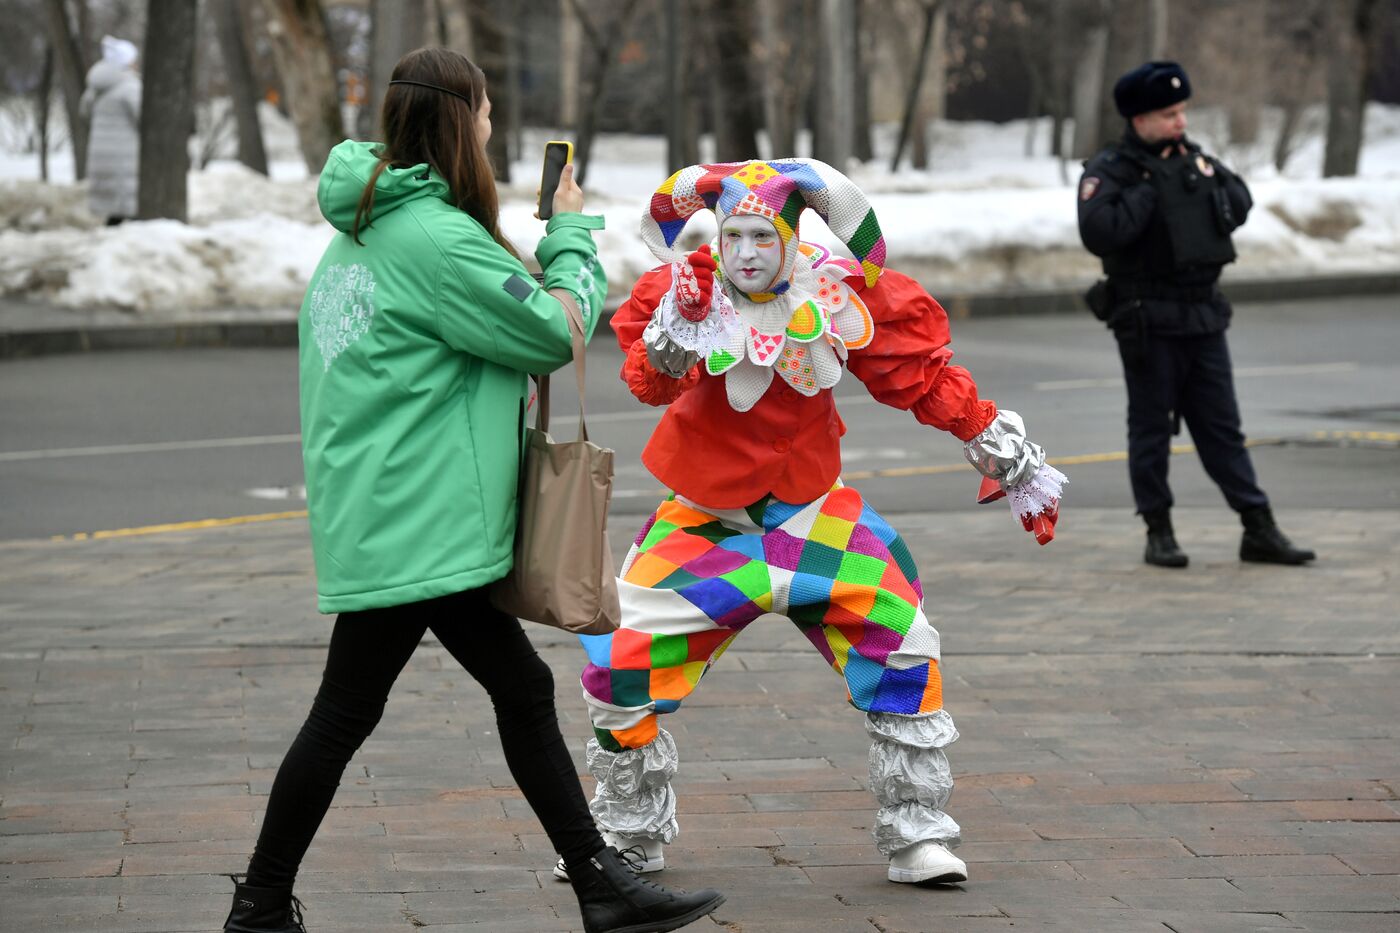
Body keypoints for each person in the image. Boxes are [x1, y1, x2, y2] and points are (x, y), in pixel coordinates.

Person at [221, 48, 723, 933]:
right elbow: (554, 331)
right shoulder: (435, 238)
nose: (492, 126)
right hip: (420, 516)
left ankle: (597, 883)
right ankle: (260, 905)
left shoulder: (369, 223)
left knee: (502, 690)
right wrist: (571, 236)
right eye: (487, 110)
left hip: (393, 506)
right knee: (352, 710)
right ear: (464, 119)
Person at [551, 158, 1066, 889]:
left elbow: (918, 375)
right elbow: (650, 383)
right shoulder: (688, 290)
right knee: (619, 661)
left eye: (763, 236)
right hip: (705, 523)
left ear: (792, 239)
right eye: (733, 236)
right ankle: (629, 833)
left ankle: (918, 832)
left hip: (815, 516)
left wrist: (1003, 454)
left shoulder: (832, 293)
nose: (746, 253)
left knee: (903, 642)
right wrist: (680, 326)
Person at [1077, 60, 1316, 569]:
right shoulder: (1112, 169)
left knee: (1222, 427)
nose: (1180, 122)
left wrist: (1192, 176)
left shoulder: (1194, 158)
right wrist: (1152, 191)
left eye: (1182, 112)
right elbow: (1099, 232)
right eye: (1169, 114)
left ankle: (1258, 526)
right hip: (1147, 318)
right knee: (1151, 430)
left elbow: (1240, 202)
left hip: (1203, 315)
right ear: (1140, 119)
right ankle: (1158, 530)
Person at [81, 35, 142, 225]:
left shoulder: (95, 88)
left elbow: (85, 112)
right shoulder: (130, 86)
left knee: (112, 209)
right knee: (126, 205)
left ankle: (113, 230)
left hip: (100, 154)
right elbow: (143, 118)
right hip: (124, 155)